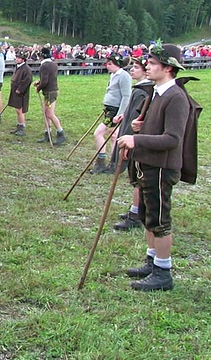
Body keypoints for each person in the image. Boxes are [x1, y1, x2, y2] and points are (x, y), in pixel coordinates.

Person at [116, 43, 189, 291]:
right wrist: (141, 127)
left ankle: (163, 272)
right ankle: (152, 260)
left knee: (159, 220)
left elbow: (172, 139)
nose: (147, 66)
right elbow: (156, 129)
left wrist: (136, 139)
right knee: (148, 217)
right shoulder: (156, 92)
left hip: (161, 168)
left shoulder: (176, 97)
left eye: (153, 63)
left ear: (168, 68)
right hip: (147, 164)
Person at [111, 57, 153, 231]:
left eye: (136, 67)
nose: (132, 70)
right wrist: (125, 114)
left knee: (138, 179)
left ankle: (136, 214)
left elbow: (138, 120)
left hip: (136, 140)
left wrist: (129, 140)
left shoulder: (145, 91)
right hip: (133, 137)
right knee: (136, 179)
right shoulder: (141, 89)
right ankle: (136, 210)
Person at [91, 53, 132, 174]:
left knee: (98, 133)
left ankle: (101, 162)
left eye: (110, 64)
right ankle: (115, 164)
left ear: (117, 64)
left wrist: (120, 113)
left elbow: (126, 96)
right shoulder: (113, 75)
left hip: (115, 111)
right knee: (114, 136)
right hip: (110, 109)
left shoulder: (124, 76)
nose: (107, 66)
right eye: (107, 63)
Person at [34, 46, 67, 145]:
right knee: (45, 113)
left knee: (50, 114)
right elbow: (49, 78)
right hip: (52, 90)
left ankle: (60, 133)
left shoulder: (44, 66)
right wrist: (39, 82)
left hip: (49, 92)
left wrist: (38, 87)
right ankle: (47, 133)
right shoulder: (53, 64)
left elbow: (45, 81)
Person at [7, 51, 33, 136]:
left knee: (20, 110)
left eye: (19, 58)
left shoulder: (26, 69)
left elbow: (27, 80)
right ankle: (18, 126)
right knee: (17, 109)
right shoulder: (18, 67)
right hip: (15, 91)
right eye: (17, 57)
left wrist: (20, 89)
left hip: (21, 93)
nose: (17, 59)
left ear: (23, 59)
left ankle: (22, 127)